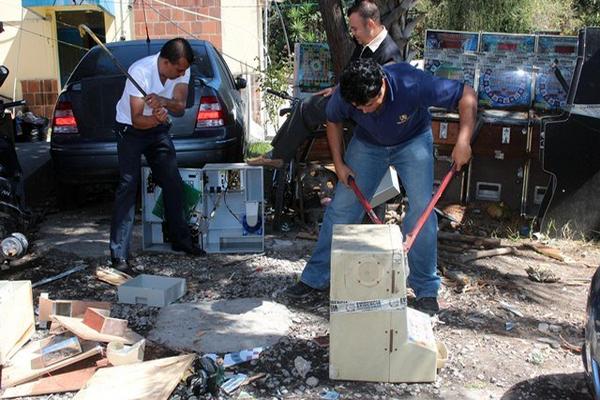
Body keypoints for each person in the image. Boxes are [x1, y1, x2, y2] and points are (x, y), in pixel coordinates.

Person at [284, 58, 477, 316]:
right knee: (341, 208)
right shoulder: (346, 93)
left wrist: (463, 141)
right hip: (367, 146)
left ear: (383, 84)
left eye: (370, 104)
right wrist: (339, 163)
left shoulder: (412, 83)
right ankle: (315, 277)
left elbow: (467, 94)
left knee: (422, 210)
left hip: (413, 141)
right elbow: (333, 120)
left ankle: (426, 290)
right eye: (358, 108)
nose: (364, 111)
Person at [248, 0, 403, 168]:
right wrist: (337, 88)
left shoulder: (389, 56)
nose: (353, 33)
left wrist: (343, 97)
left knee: (306, 107)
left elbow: (378, 99)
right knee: (308, 103)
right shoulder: (366, 43)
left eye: (355, 28)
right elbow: (352, 73)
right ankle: (279, 155)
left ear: (370, 24)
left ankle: (278, 155)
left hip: (366, 114)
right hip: (353, 102)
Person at [110, 38, 204, 271]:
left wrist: (162, 101)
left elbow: (180, 106)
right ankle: (119, 254)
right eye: (179, 69)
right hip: (130, 130)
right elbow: (137, 120)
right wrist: (156, 117)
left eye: (184, 69)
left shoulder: (182, 69)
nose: (182, 73)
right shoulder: (140, 71)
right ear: (165, 62)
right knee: (128, 185)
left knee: (173, 181)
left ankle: (180, 240)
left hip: (158, 131)